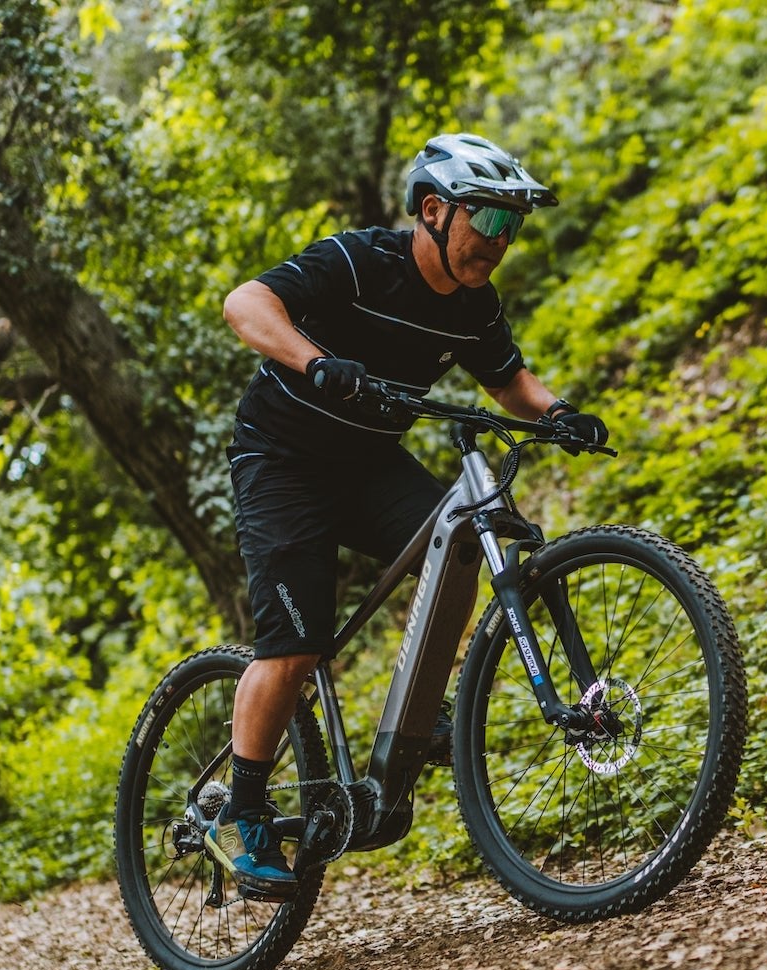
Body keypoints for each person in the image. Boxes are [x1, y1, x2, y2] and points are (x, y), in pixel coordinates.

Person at [207, 133, 610, 893]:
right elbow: (245, 303)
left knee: (462, 535)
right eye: (487, 222)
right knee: (295, 646)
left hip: (367, 463)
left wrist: (561, 413)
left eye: (511, 229)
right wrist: (315, 360)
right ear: (433, 210)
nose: (499, 243)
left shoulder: (474, 307)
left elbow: (509, 380)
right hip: (284, 461)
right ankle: (243, 812)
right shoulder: (361, 262)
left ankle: (413, 722)